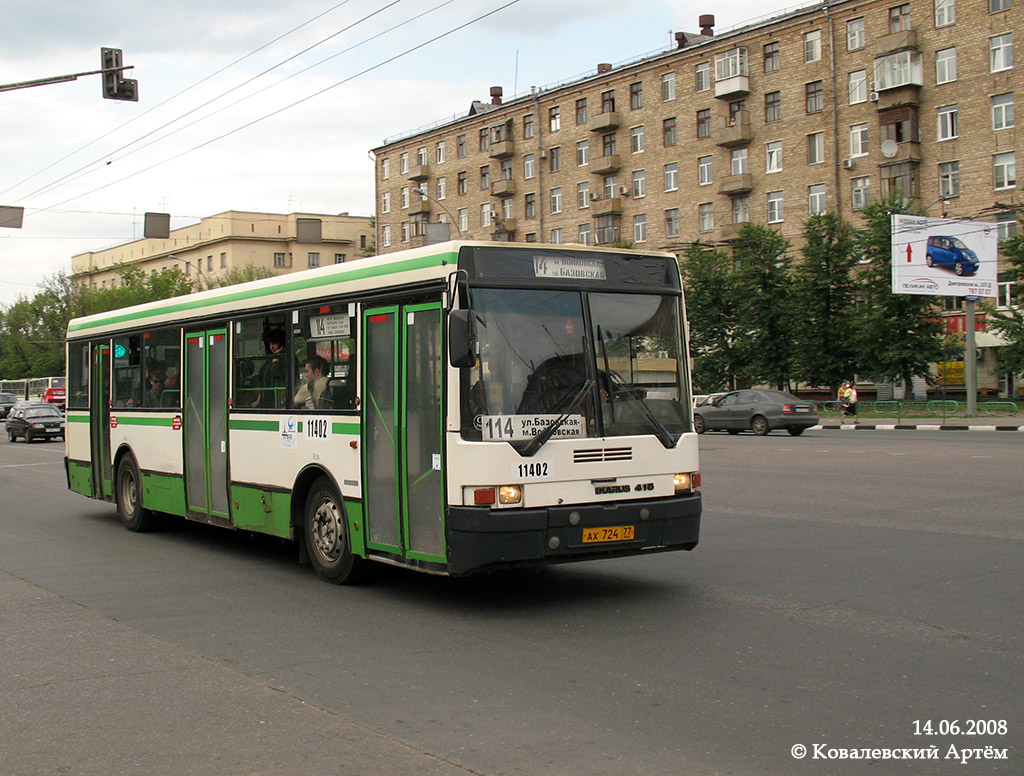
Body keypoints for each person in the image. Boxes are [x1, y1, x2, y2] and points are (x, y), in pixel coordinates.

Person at [249, 329, 286, 408]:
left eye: (275, 344)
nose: (271, 347)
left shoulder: (286, 359)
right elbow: (264, 380)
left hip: (277, 400)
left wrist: (277, 358)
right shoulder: (270, 360)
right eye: (270, 344)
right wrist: (258, 400)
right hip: (266, 399)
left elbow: (276, 375)